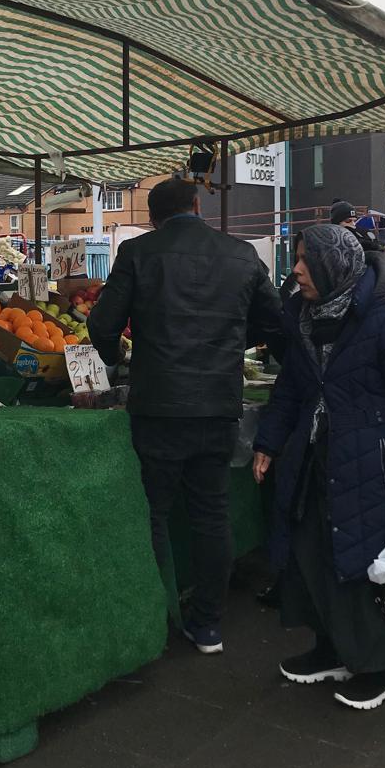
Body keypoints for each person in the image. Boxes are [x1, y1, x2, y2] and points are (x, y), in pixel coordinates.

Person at [251, 225, 385, 711]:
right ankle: (333, 649)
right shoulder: (303, 316)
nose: (297, 270)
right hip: (315, 457)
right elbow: (291, 388)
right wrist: (269, 442)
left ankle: (381, 669)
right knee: (314, 554)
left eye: (306, 261)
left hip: (376, 463)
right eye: (297, 259)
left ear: (334, 266)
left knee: (365, 563)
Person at [88, 177, 285, 654]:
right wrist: (234, 341)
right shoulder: (242, 255)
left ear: (153, 217)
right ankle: (208, 624)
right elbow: (276, 321)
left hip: (157, 403)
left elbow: (102, 324)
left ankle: (155, 615)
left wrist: (117, 359)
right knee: (211, 513)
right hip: (218, 402)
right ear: (198, 205)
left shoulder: (138, 252)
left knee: (152, 511)